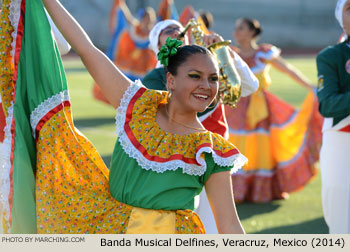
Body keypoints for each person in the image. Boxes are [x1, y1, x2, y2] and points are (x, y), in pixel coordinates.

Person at [7, 0, 245, 234]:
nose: (206, 85)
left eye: (213, 78)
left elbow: (230, 226)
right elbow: (87, 49)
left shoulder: (213, 152)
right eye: (195, 76)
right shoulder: (137, 106)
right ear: (170, 80)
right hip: (110, 230)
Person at [143, 19, 258, 233]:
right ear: (157, 45)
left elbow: (250, 86)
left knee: (215, 225)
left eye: (179, 29)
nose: (178, 32)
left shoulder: (209, 65)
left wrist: (223, 52)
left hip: (215, 159)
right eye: (169, 31)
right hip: (180, 160)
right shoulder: (154, 78)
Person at [226, 17, 323, 203]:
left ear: (252, 32)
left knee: (261, 145)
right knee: (238, 144)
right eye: (235, 28)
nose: (236, 32)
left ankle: (260, 190)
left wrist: (310, 86)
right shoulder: (231, 54)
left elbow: (287, 69)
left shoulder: (263, 53)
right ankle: (238, 189)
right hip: (237, 108)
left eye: (240, 28)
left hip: (262, 107)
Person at [316, 0, 350, 234]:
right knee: (340, 215)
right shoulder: (331, 56)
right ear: (341, 16)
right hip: (342, 139)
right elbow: (327, 104)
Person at [92, 0, 157, 104]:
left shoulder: (153, 32)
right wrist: (121, 4)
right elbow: (128, 18)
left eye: (149, 19)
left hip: (145, 65)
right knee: (126, 86)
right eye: (146, 18)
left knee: (145, 88)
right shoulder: (136, 28)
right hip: (132, 64)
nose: (147, 21)